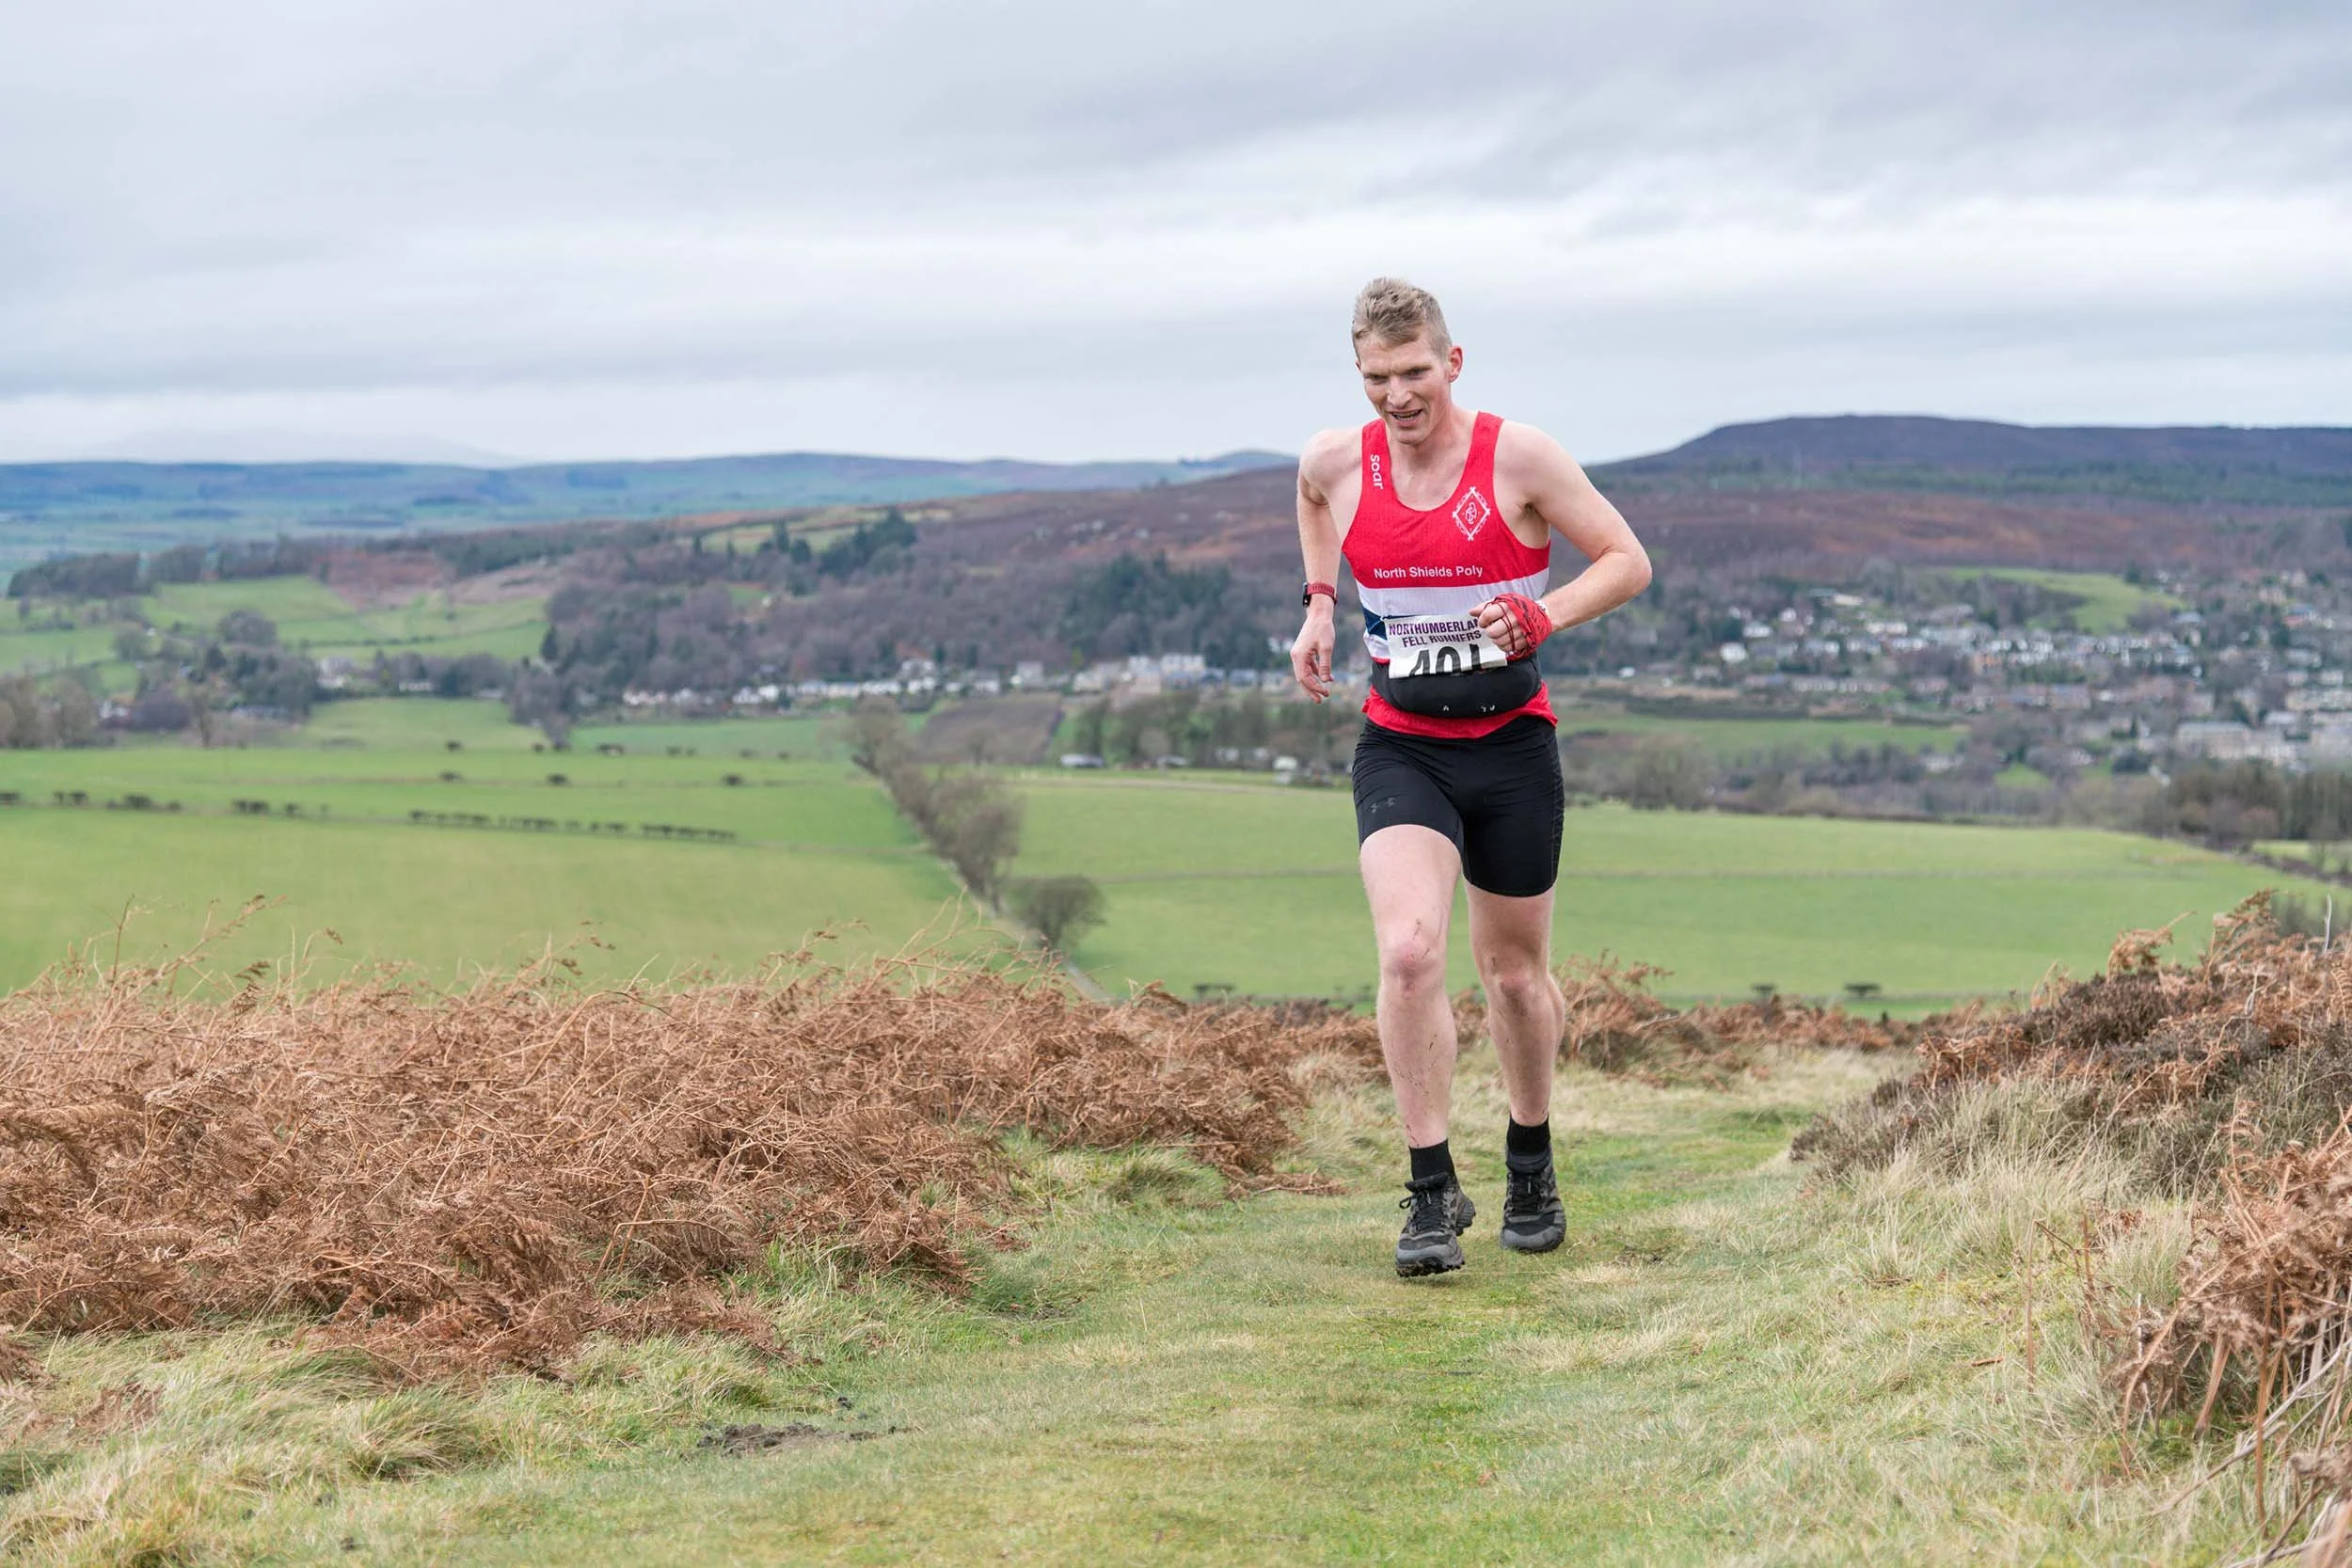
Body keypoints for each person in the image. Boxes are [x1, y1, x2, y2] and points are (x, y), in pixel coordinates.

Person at [1291, 277, 1653, 1275]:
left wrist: (1544, 615)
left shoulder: (1519, 457)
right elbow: (1310, 493)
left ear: (1450, 363)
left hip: (1510, 746)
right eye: (1376, 378)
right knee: (1409, 952)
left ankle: (1529, 1157)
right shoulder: (1337, 458)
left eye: (1413, 373)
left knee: (1511, 974)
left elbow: (1627, 560)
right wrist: (1320, 604)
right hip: (1402, 743)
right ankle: (1426, 1186)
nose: (1397, 396)